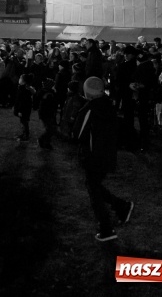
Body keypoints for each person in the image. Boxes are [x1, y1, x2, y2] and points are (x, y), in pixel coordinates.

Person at [73, 76, 135, 242]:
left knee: (94, 191)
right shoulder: (109, 106)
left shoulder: (90, 109)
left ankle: (106, 227)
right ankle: (121, 207)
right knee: (94, 186)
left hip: (93, 155)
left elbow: (78, 134)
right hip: (107, 154)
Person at [37, 78, 58, 149]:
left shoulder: (46, 93)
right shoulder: (49, 95)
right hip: (47, 114)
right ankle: (42, 140)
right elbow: (51, 105)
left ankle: (47, 143)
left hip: (44, 114)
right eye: (53, 85)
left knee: (49, 128)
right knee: (50, 129)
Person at [15, 73, 36, 141]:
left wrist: (20, 110)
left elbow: (23, 101)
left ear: (24, 81)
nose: (19, 79)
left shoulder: (24, 90)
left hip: (24, 109)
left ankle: (26, 135)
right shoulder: (23, 88)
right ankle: (24, 133)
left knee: (24, 122)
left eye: (20, 79)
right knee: (23, 121)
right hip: (24, 108)